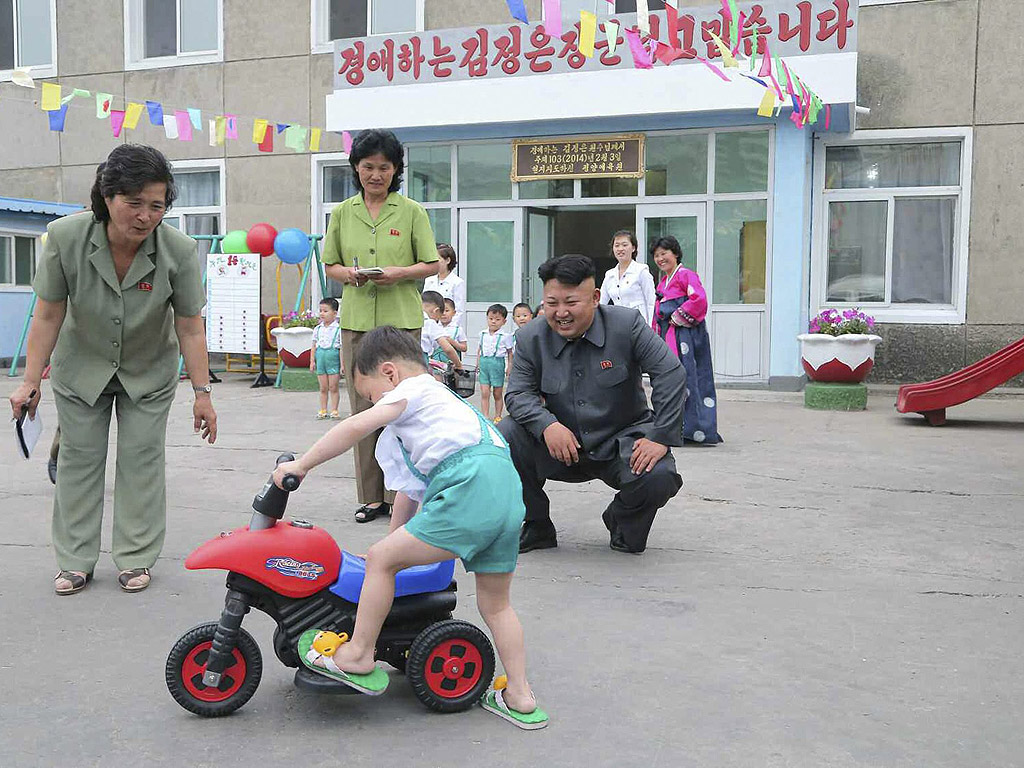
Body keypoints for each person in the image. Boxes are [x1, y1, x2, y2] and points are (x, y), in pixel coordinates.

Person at [273, 327, 548, 729]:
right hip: (506, 492)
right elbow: (411, 491)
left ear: (389, 373)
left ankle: (358, 654)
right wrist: (392, 545)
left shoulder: (412, 390)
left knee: (381, 562)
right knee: (496, 604)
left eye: (371, 396)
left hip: (468, 484)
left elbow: (355, 429)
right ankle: (520, 695)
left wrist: (302, 464)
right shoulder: (444, 406)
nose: (373, 405)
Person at [7, 144, 218, 595]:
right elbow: (47, 314)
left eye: (157, 205)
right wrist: (29, 380)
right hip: (81, 368)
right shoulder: (65, 238)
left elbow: (190, 327)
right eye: (134, 202)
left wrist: (203, 393)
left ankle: (136, 556)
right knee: (79, 461)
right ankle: (74, 560)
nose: (144, 216)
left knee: (141, 462)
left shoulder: (179, 250)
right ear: (107, 197)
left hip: (149, 371)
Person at [499, 255, 685, 555]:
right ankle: (536, 523)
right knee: (506, 435)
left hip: (621, 443)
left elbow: (670, 372)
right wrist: (547, 425)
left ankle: (622, 519)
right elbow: (518, 394)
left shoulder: (627, 325)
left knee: (660, 476)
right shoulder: (530, 337)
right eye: (552, 303)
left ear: (596, 297)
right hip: (560, 445)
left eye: (571, 302)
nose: (561, 313)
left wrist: (660, 435)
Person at [320, 128, 440, 524]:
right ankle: (371, 497)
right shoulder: (342, 212)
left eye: (384, 167)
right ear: (356, 168)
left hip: (400, 324)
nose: (375, 174)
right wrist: (349, 274)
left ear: (396, 170)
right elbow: (330, 264)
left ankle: (403, 493)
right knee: (363, 409)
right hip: (356, 322)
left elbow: (431, 264)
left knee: (404, 409)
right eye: (368, 166)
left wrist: (399, 272)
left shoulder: (411, 212)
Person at [650, 235, 722, 445]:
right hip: (669, 337)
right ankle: (678, 428)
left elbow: (699, 299)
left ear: (676, 253)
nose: (661, 258)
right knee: (672, 382)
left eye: (664, 253)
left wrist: (677, 316)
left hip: (687, 340)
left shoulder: (686, 275)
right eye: (656, 255)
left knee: (692, 380)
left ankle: (697, 428)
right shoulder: (663, 282)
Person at [599, 230, 656, 325]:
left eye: (625, 245)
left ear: (633, 248)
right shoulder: (609, 275)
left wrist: (650, 327)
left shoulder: (641, 271)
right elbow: (601, 303)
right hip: (619, 325)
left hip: (639, 325)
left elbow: (651, 302)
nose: (620, 249)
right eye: (617, 245)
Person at [478, 304, 513, 423]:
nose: (493, 322)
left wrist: (509, 366)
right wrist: (478, 363)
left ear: (504, 321)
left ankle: (498, 415)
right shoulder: (482, 334)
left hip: (497, 364)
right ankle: (485, 415)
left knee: (497, 393)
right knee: (484, 392)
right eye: (491, 318)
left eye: (497, 319)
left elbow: (510, 353)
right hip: (484, 363)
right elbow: (480, 349)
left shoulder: (505, 336)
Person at [310, 297, 342, 420]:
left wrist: (342, 365)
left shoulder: (338, 329)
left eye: (325, 311)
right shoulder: (317, 329)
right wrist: (312, 361)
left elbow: (341, 349)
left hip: (332, 358)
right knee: (323, 387)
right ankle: (323, 409)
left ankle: (334, 409)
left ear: (334, 313)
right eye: (321, 310)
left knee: (333, 387)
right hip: (321, 359)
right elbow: (313, 346)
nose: (322, 313)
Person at [422, 243, 466, 324]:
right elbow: (424, 304)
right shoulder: (429, 280)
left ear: (448, 260)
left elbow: (459, 310)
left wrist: (450, 328)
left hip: (448, 327)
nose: (435, 262)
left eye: (438, 259)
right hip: (430, 325)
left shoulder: (457, 282)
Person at [420, 291, 461, 374]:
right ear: (436, 311)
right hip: (420, 361)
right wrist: (458, 365)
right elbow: (448, 349)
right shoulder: (430, 323)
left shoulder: (410, 320)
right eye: (438, 319)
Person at [433, 297, 467, 365]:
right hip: (436, 364)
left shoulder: (457, 329)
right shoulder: (434, 327)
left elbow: (464, 348)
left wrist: (453, 342)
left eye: (447, 311)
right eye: (441, 311)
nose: (444, 313)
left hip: (453, 365)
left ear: (454, 313)